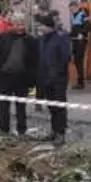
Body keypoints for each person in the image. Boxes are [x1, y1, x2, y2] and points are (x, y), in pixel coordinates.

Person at [0, 11, 38, 136]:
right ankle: (4, 129)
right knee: (4, 105)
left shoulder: (30, 40)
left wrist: (32, 80)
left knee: (21, 106)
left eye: (22, 24)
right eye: (18, 24)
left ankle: (22, 129)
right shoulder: (3, 37)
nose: (20, 27)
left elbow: (34, 61)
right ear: (13, 24)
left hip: (22, 77)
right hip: (5, 76)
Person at [36, 13, 72, 144]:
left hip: (58, 79)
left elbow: (65, 57)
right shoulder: (42, 40)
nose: (39, 27)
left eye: (41, 25)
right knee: (51, 106)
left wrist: (56, 73)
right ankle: (53, 130)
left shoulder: (61, 38)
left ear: (48, 26)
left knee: (59, 106)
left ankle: (61, 133)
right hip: (45, 78)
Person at [68, 1, 91, 90]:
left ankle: (81, 83)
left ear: (76, 7)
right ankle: (79, 81)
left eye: (72, 8)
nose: (71, 10)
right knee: (76, 61)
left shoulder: (83, 15)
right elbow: (74, 30)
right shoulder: (73, 17)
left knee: (79, 61)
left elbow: (89, 26)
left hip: (81, 42)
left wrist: (82, 33)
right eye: (70, 9)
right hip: (75, 41)